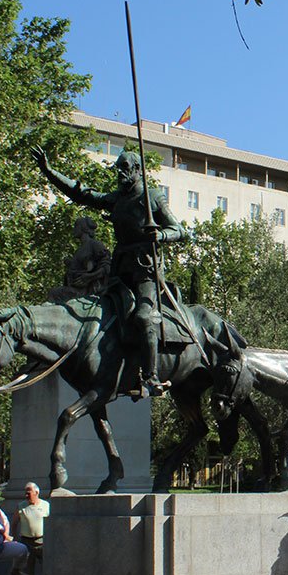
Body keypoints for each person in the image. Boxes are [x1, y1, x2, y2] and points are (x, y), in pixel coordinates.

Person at [32, 146, 188, 398]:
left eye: (125, 169)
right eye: (119, 169)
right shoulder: (117, 198)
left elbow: (181, 230)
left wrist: (160, 234)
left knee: (145, 317)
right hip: (120, 271)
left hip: (145, 271)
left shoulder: (152, 197)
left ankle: (150, 378)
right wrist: (49, 172)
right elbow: (83, 194)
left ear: (138, 170)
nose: (120, 174)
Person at [11, 482, 50, 575]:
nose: (26, 494)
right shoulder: (21, 506)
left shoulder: (46, 505)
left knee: (48, 570)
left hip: (43, 541)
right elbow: (14, 523)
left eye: (29, 492)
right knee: (27, 573)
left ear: (36, 492)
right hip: (26, 542)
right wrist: (15, 539)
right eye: (26, 492)